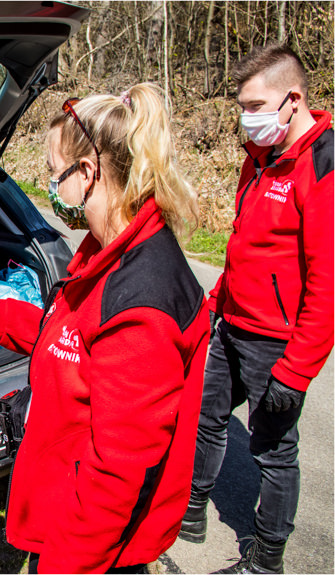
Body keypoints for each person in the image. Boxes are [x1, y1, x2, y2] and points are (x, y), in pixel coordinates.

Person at [0, 83, 210, 573]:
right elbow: (75, 345)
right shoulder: (103, 249)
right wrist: (3, 318)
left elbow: (116, 474)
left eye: (54, 174)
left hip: (92, 546)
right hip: (59, 505)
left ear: (88, 173)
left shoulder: (143, 303)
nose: (51, 189)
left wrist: (63, 567)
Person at [177, 45, 333, 574]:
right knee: (204, 416)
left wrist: (299, 367)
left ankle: (266, 558)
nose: (247, 118)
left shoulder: (323, 166)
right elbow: (245, 246)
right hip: (231, 326)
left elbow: (327, 282)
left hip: (278, 343)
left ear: (293, 100)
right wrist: (213, 304)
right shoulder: (258, 155)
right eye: (242, 106)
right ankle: (190, 511)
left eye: (255, 104)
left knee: (273, 450)